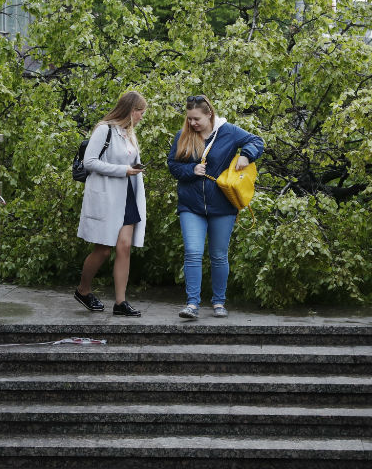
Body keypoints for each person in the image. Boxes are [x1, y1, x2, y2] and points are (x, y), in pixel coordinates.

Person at [167, 95, 264, 320]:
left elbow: (257, 141)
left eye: (196, 119)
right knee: (192, 252)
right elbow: (172, 165)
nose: (192, 123)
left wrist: (247, 156)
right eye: (189, 119)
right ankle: (192, 304)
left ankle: (219, 302)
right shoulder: (182, 136)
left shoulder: (228, 131)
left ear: (209, 113)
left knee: (219, 255)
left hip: (222, 205)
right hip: (190, 205)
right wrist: (190, 170)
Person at [74, 91, 148, 317]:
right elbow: (90, 162)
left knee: (124, 247)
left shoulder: (129, 134)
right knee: (104, 250)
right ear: (130, 110)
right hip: (107, 196)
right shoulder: (104, 129)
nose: (141, 117)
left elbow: (126, 161)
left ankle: (120, 302)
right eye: (140, 112)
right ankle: (83, 290)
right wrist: (123, 170)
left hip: (127, 195)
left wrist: (135, 167)